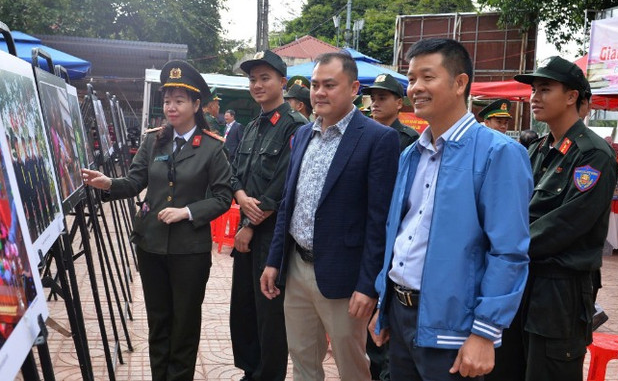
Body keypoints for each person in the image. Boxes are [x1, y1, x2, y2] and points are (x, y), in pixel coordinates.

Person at [368, 38, 532, 381]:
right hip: (401, 315)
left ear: (460, 83)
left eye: (428, 77)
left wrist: (485, 332)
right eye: (411, 79)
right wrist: (384, 305)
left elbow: (509, 252)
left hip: (453, 328)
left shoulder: (498, 153)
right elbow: (397, 234)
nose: (416, 88)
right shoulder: (410, 155)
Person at [81, 60, 233, 381]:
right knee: (158, 322)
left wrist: (187, 212)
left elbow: (223, 197)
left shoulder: (211, 147)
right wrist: (108, 183)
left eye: (179, 100)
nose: (171, 107)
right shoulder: (153, 141)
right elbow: (135, 182)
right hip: (151, 246)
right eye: (167, 100)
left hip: (189, 251)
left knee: (184, 326)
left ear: (195, 105)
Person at [260, 51, 400, 380]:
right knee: (303, 360)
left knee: (350, 364)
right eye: (314, 85)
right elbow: (288, 203)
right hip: (296, 269)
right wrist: (274, 260)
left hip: (344, 278)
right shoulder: (304, 135)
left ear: (353, 89)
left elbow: (380, 222)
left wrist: (369, 286)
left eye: (329, 85)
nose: (319, 92)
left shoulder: (378, 139)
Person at [489, 56, 618, 381]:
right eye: (534, 89)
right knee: (505, 369)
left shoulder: (593, 155)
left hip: (560, 290)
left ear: (572, 96)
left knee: (548, 372)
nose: (535, 96)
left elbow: (566, 224)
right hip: (520, 279)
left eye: (545, 89)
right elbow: (509, 207)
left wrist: (502, 248)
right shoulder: (537, 149)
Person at [229, 50, 307, 381]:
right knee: (243, 309)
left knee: (269, 314)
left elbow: (283, 186)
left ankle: (267, 375)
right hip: (247, 229)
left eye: (265, 78)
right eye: (253, 79)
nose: (258, 85)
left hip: (271, 236)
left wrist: (249, 223)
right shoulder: (251, 126)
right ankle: (251, 370)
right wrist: (241, 197)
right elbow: (233, 171)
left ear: (282, 83)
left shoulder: (296, 126)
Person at [365, 73, 420, 152]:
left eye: (382, 98)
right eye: (373, 99)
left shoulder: (409, 138)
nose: (375, 104)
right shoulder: (364, 134)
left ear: (399, 103)